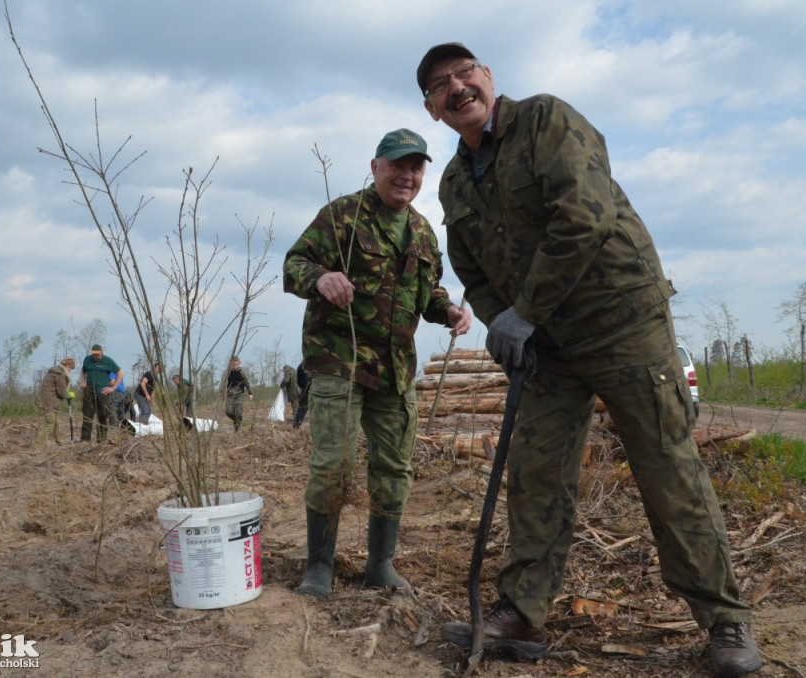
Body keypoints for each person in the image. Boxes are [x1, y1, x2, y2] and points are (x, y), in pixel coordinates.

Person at [416, 43, 762, 677]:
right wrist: (503, 322)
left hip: (622, 321)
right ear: (434, 110)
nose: (456, 87)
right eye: (440, 86)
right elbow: (468, 264)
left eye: (465, 73)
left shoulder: (547, 120)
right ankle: (522, 613)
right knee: (535, 471)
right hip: (549, 347)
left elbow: (584, 213)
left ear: (488, 78)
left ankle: (723, 618)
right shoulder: (454, 181)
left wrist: (528, 309)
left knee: (667, 467)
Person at [283, 128, 472, 601]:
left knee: (394, 468)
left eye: (416, 167)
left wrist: (448, 310)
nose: (407, 176)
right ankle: (320, 565)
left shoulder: (425, 232)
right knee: (334, 465)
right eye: (397, 165)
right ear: (376, 167)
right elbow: (293, 265)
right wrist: (322, 276)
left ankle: (380, 564)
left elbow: (429, 294)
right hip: (338, 361)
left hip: (394, 370)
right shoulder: (342, 217)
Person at [79, 344, 123, 444]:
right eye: (94, 354)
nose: (95, 356)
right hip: (89, 393)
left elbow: (120, 373)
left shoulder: (108, 361)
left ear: (101, 353)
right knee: (87, 416)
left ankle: (101, 440)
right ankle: (85, 440)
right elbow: (83, 371)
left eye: (97, 355)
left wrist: (113, 388)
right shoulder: (87, 359)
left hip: (102, 394)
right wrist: (82, 381)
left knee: (103, 416)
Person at [36, 357, 76, 445]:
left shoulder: (52, 373)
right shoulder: (60, 375)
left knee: (57, 423)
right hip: (50, 403)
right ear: (67, 365)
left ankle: (60, 442)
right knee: (50, 423)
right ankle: (37, 446)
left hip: (49, 402)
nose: (70, 371)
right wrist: (70, 395)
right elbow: (62, 393)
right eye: (70, 368)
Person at [224, 356, 253, 432]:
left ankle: (237, 428)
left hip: (240, 393)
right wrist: (221, 392)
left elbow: (246, 382)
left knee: (238, 412)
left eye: (236, 365)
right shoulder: (227, 372)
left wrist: (250, 393)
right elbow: (223, 382)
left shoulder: (241, 372)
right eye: (233, 365)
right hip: (230, 393)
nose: (234, 366)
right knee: (228, 411)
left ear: (238, 364)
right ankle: (236, 420)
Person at [293, 362, 310, 429]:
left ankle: (296, 425)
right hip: (318, 390)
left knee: (302, 407)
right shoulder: (319, 362)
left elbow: (299, 381)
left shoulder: (301, 366)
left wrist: (304, 387)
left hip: (305, 389)